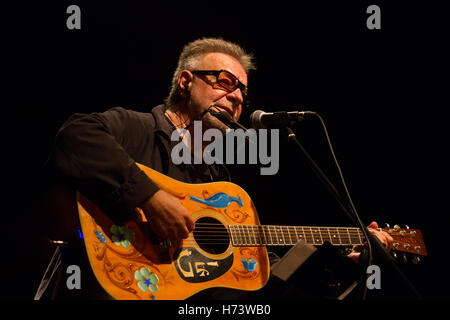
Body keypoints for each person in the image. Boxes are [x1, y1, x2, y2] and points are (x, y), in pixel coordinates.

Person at [36, 37, 393, 300]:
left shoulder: (220, 182)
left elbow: (265, 279)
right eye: (225, 82)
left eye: (243, 91)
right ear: (186, 81)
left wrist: (344, 262)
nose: (237, 96)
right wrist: (149, 197)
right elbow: (73, 137)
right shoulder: (138, 128)